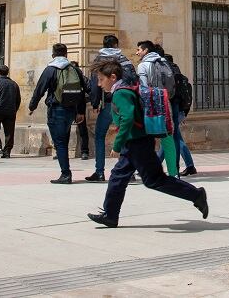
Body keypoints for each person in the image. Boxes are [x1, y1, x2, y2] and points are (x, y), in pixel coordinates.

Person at [86, 60, 208, 228]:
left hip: (138, 143)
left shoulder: (120, 93)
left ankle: (196, 195)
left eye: (101, 79)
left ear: (112, 77)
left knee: (154, 180)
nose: (99, 84)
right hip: (135, 143)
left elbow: (128, 118)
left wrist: (116, 145)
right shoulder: (124, 89)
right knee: (118, 176)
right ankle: (110, 215)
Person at [28, 43, 87, 184]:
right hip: (71, 110)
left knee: (60, 143)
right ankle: (65, 172)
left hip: (57, 109)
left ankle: (66, 174)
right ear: (66, 54)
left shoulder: (50, 69)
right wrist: (80, 111)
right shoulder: (75, 69)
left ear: (53, 55)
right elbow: (83, 90)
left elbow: (39, 89)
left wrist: (32, 106)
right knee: (63, 141)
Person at [86, 35, 136, 182]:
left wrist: (95, 104)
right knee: (127, 136)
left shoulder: (99, 60)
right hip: (125, 100)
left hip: (108, 104)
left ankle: (100, 172)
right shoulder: (124, 60)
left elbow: (95, 84)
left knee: (100, 136)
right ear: (116, 44)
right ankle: (130, 172)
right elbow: (134, 79)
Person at [136, 41, 178, 176]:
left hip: (150, 105)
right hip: (165, 102)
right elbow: (171, 84)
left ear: (146, 50)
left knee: (147, 138)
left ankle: (149, 171)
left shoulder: (143, 65)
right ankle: (173, 172)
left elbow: (143, 87)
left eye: (139, 50)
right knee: (168, 138)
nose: (137, 52)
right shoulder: (164, 62)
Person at [0, 64, 21, 158]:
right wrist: (15, 109)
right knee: (9, 132)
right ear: (7, 73)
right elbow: (18, 99)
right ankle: (7, 151)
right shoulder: (14, 84)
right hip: (10, 111)